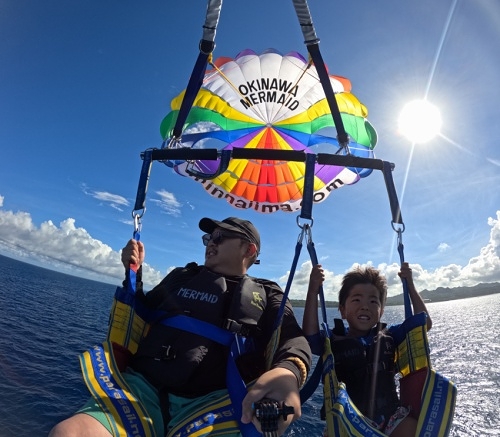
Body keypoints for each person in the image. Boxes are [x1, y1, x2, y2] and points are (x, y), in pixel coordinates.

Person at [49, 217, 311, 437]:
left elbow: (292, 338)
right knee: (68, 433)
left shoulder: (268, 293)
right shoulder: (181, 276)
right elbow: (142, 312)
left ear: (249, 250)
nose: (211, 243)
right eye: (208, 238)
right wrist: (133, 273)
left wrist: (288, 373)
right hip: (140, 390)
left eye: (220, 237)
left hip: (215, 406)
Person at [302, 262, 432, 437]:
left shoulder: (390, 335)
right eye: (357, 300)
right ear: (342, 310)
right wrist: (313, 290)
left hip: (389, 418)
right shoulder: (332, 340)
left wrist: (410, 285)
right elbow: (310, 339)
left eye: (373, 301)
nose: (365, 306)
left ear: (381, 311)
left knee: (412, 426)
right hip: (347, 421)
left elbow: (424, 325)